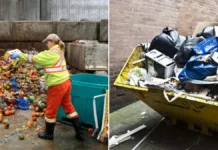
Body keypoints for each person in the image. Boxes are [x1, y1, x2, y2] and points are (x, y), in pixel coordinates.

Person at [10, 34, 84, 141]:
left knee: (50, 111)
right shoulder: (59, 50)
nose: (46, 44)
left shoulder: (51, 54)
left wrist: (19, 55)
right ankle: (79, 132)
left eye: (47, 42)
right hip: (66, 82)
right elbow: (46, 58)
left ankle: (49, 135)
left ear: (51, 42)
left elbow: (34, 59)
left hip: (57, 85)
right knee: (69, 107)